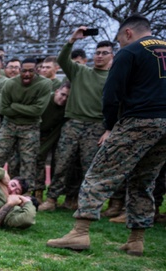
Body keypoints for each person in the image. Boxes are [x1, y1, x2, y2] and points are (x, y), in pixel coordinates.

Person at [48, 14, 166, 257]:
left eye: (119, 39)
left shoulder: (131, 51)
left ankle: (80, 232)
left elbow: (112, 94)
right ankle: (136, 239)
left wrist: (111, 126)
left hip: (139, 120)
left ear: (128, 33)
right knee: (144, 180)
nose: (119, 44)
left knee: (99, 173)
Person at [39, 32, 113, 211]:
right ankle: (51, 199)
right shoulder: (80, 71)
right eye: (97, 52)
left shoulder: (113, 77)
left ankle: (86, 204)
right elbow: (62, 59)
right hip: (73, 123)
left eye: (104, 53)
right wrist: (71, 40)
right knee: (61, 163)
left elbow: (116, 105)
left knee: (89, 168)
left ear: (112, 56)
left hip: (96, 126)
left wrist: (109, 129)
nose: (100, 56)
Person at [0, 57, 48, 191]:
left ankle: (26, 196)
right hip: (9, 125)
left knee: (28, 163)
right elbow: (3, 109)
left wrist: (15, 105)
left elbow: (38, 110)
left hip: (30, 127)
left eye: (31, 71)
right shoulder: (10, 84)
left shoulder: (44, 84)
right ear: (20, 70)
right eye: (24, 71)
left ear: (37, 70)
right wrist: (28, 109)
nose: (27, 74)